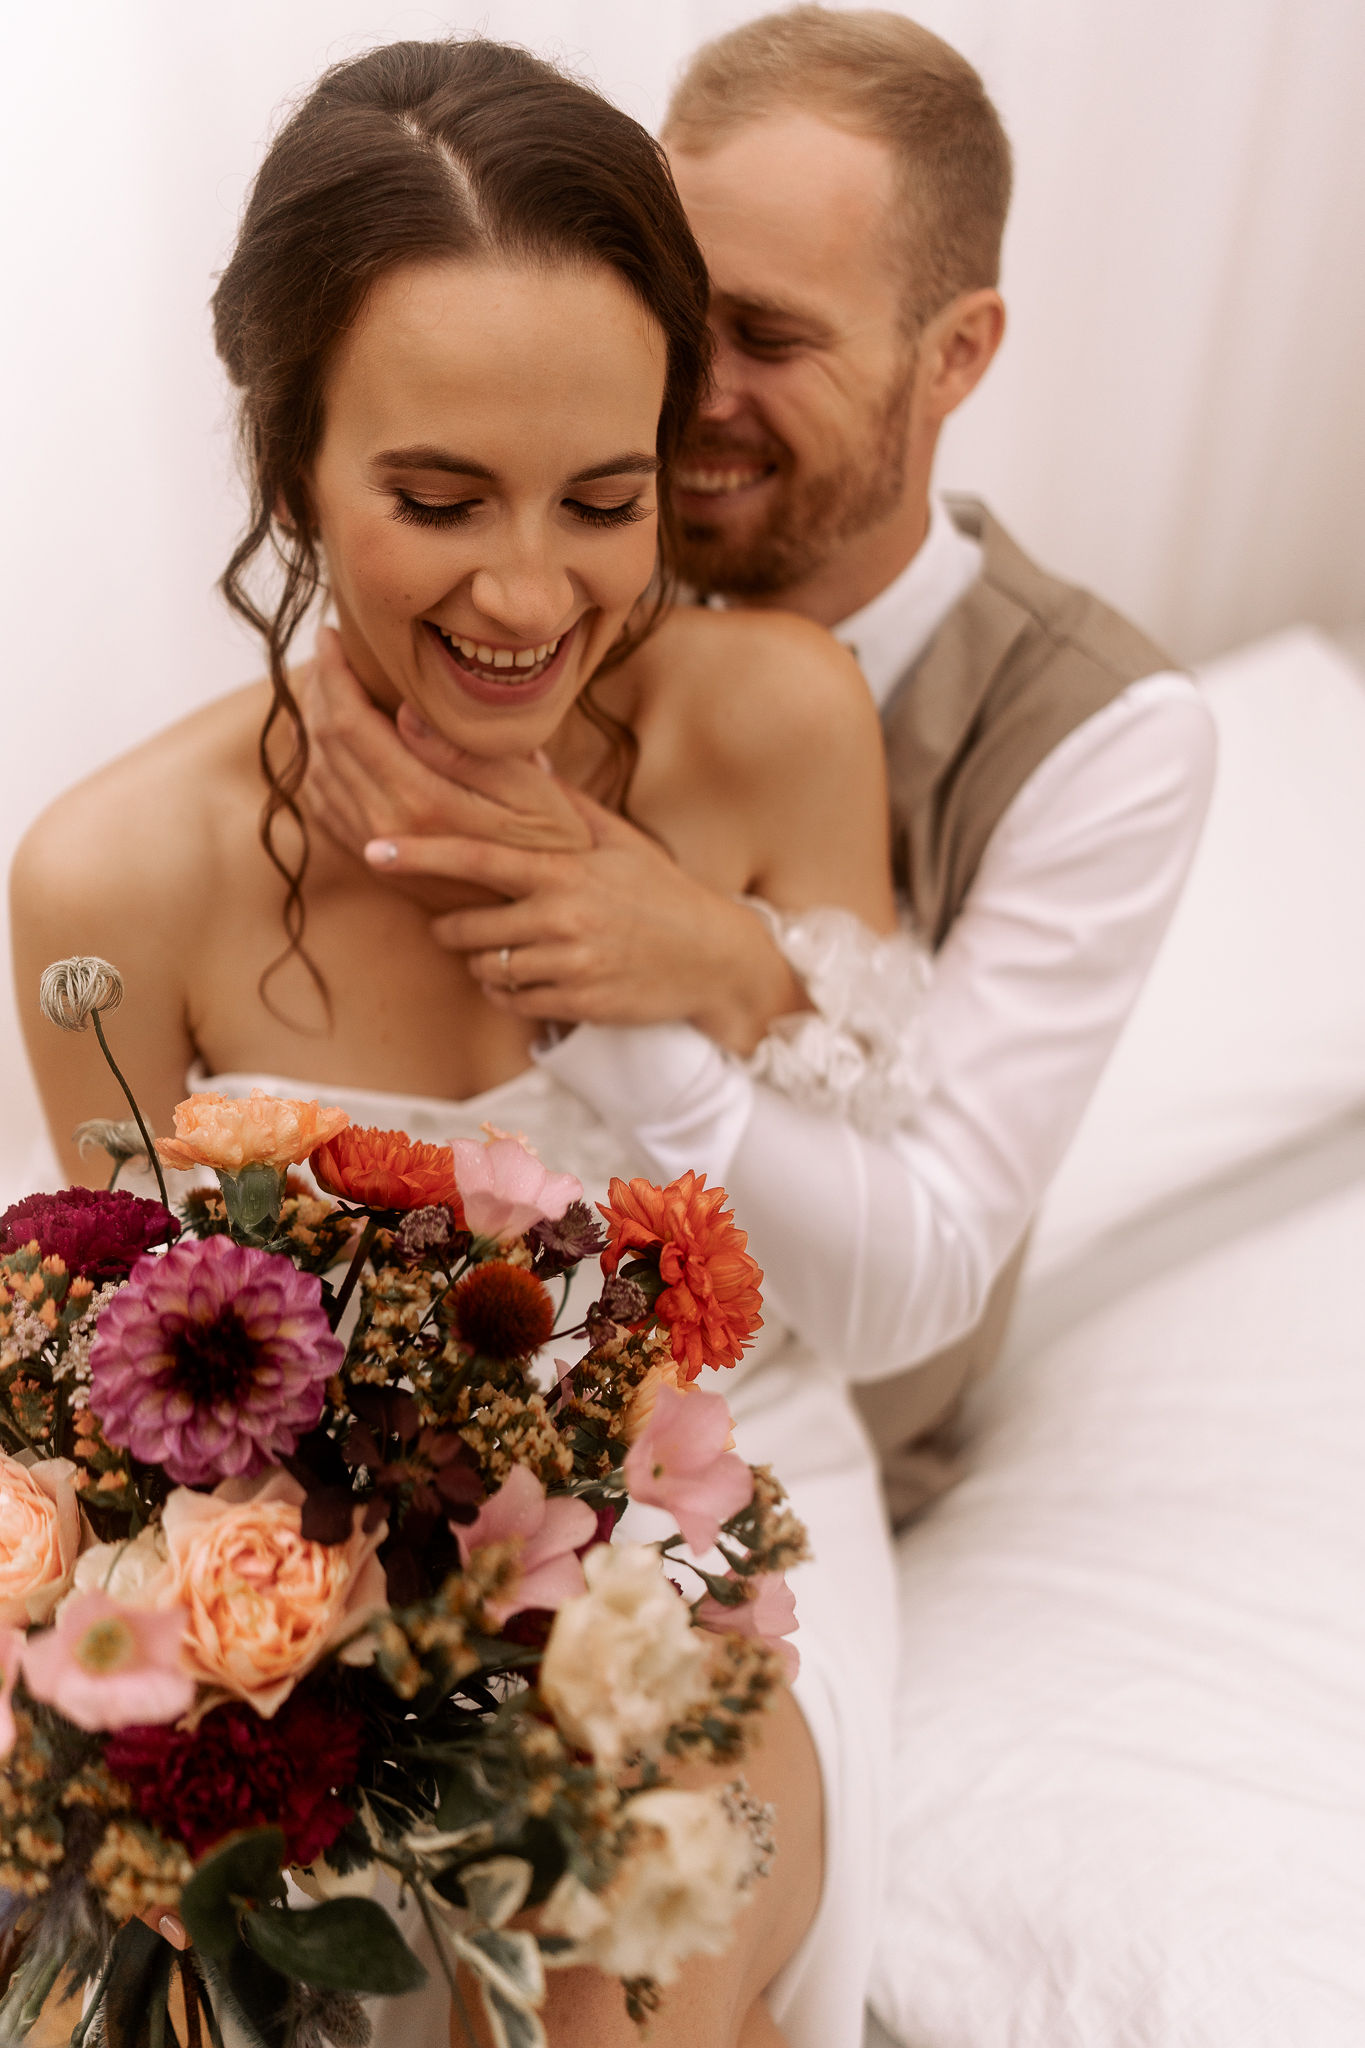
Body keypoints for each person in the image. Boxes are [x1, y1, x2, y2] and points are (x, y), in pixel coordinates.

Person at [11, 36, 931, 2048]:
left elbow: (882, 1235)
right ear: (290, 469)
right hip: (350, 1586)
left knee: (620, 1917)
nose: (529, 592)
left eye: (603, 500)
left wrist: (685, 949)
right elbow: (146, 1423)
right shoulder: (112, 879)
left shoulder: (776, 724)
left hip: (730, 1518)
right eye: (436, 500)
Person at [295, 7, 1218, 1525]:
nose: (689, 390)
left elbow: (914, 1279)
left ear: (957, 353)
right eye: (680, 315)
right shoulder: (552, 568)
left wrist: (680, 967)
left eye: (772, 339)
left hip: (814, 1443)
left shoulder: (1109, 733)